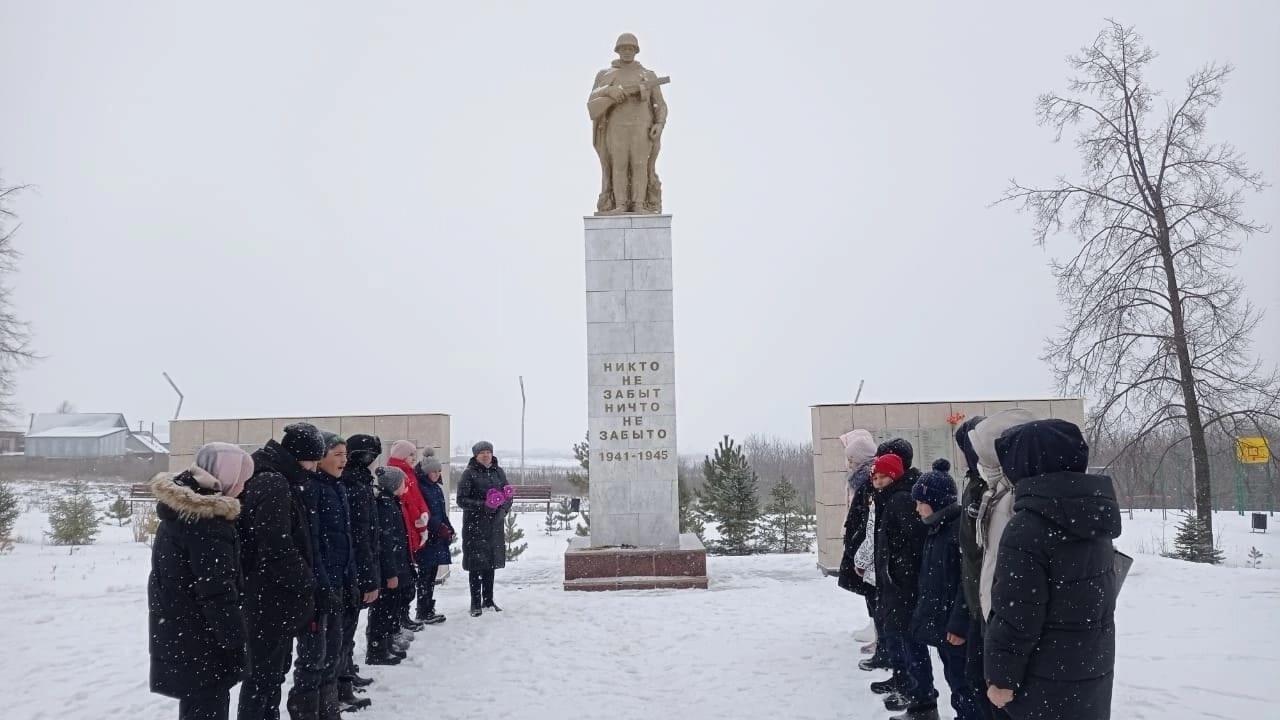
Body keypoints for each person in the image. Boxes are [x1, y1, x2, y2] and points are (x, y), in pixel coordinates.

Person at [985, 420, 1121, 720]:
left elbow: (1017, 613)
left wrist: (1002, 677)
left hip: (1041, 682)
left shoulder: (1028, 527)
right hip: (1087, 672)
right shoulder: (1091, 516)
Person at [148, 443, 254, 720]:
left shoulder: (182, 511)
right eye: (242, 479)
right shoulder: (208, 524)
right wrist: (234, 642)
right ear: (227, 475)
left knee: (197, 707)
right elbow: (217, 592)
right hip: (204, 639)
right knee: (208, 707)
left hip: (183, 632)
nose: (243, 487)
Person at [238, 424, 322, 720]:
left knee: (268, 676)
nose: (313, 468)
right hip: (268, 598)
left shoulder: (269, 475)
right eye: (313, 459)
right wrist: (305, 580)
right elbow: (275, 545)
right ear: (299, 455)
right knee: (264, 677)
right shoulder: (273, 482)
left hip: (267, 595)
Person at [289, 432, 364, 720]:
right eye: (337, 454)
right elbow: (315, 544)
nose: (344, 460)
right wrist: (322, 584)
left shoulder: (337, 488)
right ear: (320, 458)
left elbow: (346, 541)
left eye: (346, 455)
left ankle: (329, 710)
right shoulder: (312, 489)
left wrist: (351, 579)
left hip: (339, 583)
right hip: (320, 587)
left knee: (333, 651)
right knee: (313, 657)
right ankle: (308, 712)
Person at [908, 459, 981, 720]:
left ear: (937, 502)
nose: (916, 508)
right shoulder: (936, 529)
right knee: (955, 682)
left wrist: (959, 624)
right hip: (942, 625)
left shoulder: (956, 531)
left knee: (966, 686)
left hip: (955, 629)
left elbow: (967, 582)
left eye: (920, 502)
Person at [870, 442, 932, 715]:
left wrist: (895, 574)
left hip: (903, 585)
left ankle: (920, 696)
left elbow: (911, 544)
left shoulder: (900, 499)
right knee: (902, 639)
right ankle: (908, 685)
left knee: (911, 643)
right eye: (875, 476)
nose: (877, 481)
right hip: (897, 583)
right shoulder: (891, 497)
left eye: (882, 476)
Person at [970, 409, 1037, 621]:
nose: (978, 462)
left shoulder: (1016, 497)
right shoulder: (998, 493)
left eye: (982, 455)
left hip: (1009, 618)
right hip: (997, 612)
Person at [953, 416, 995, 720]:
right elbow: (969, 556)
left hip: (991, 607)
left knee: (984, 686)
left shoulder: (991, 490)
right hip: (976, 603)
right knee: (974, 681)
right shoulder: (975, 483)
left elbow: (981, 556)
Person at [336, 434, 382, 704]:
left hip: (356, 564)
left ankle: (347, 673)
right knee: (342, 630)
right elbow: (361, 535)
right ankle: (342, 684)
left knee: (347, 630)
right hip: (352, 567)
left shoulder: (358, 481)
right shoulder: (352, 484)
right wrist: (368, 577)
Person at [835, 430, 883, 664]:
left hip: (868, 545)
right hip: (861, 541)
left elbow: (867, 517)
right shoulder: (859, 478)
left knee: (874, 592)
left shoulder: (868, 479)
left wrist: (858, 539)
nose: (848, 464)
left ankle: (880, 638)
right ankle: (877, 632)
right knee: (869, 591)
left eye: (852, 460)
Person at [457, 441, 513, 617]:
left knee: (490, 564)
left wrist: (503, 509)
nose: (486, 455)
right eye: (482, 452)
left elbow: (507, 494)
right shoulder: (469, 474)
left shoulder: (498, 472)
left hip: (494, 526)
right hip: (475, 526)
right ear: (475, 455)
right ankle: (475, 603)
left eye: (488, 452)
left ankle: (488, 600)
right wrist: (484, 506)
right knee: (476, 565)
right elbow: (461, 500)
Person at [367, 466, 413, 665]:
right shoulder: (385, 506)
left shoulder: (391, 503)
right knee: (383, 610)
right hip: (390, 568)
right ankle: (377, 649)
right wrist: (391, 572)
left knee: (390, 608)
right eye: (403, 483)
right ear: (394, 485)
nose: (406, 486)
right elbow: (386, 542)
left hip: (396, 564)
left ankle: (385, 644)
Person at [386, 440, 429, 633]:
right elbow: (409, 502)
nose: (414, 459)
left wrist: (423, 514)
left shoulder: (409, 474)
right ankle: (398, 620)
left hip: (412, 527)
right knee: (403, 582)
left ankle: (403, 617)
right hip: (407, 529)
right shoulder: (397, 474)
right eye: (411, 455)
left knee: (408, 580)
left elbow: (417, 499)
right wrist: (419, 521)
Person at [414, 448, 455, 624]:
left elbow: (441, 511)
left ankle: (428, 607)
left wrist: (449, 527)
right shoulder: (421, 488)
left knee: (431, 575)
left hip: (437, 536)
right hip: (428, 537)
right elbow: (425, 512)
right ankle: (423, 610)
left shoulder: (436, 488)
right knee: (425, 575)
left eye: (438, 471)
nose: (437, 474)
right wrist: (438, 527)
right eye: (433, 471)